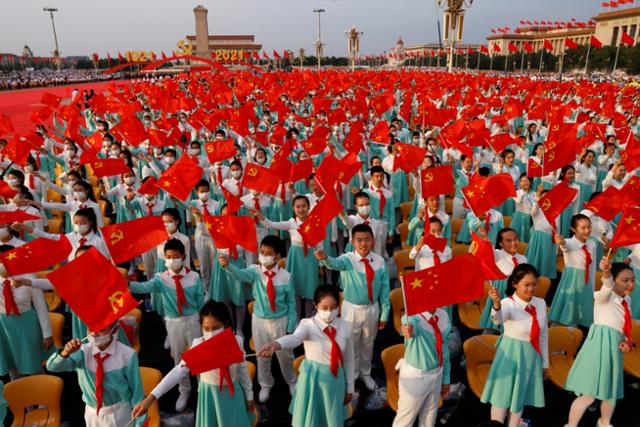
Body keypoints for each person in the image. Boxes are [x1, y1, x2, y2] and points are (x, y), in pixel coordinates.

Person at [131, 301, 255, 427]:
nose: (211, 333)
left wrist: (249, 395)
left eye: (216, 328)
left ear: (225, 324)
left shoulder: (236, 342)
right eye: (206, 329)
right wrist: (151, 398)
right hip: (210, 396)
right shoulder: (198, 345)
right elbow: (178, 372)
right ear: (201, 327)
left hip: (232, 395)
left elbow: (242, 370)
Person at [257, 284, 355, 427]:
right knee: (311, 419)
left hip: (335, 380)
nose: (329, 311)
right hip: (313, 380)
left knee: (332, 419)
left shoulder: (345, 326)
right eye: (324, 308)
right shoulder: (308, 324)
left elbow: (349, 360)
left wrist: (350, 388)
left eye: (334, 307)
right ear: (315, 305)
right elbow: (295, 338)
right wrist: (275, 344)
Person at [218, 235, 297, 403]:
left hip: (280, 320)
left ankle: (291, 380)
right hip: (260, 321)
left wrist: (290, 326)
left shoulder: (286, 276)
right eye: (262, 252)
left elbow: (291, 303)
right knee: (262, 354)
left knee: (285, 355)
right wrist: (227, 266)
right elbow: (239, 275)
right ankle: (265, 383)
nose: (264, 256)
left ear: (277, 257)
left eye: (268, 253)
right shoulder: (255, 271)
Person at [129, 238, 205, 411]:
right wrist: (128, 284)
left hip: (193, 319)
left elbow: (200, 300)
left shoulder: (193, 277)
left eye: (176, 256)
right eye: (168, 256)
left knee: (198, 355)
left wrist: (202, 322)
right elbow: (143, 287)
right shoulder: (161, 279)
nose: (172, 260)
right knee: (179, 356)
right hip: (173, 321)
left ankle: (202, 387)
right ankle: (184, 389)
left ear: (183, 256)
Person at [314, 223, 390, 391]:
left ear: (373, 240)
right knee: (351, 343)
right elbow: (333, 263)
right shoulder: (348, 259)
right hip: (352, 309)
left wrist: (385, 313)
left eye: (367, 240)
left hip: (372, 308)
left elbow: (385, 289)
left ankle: (365, 372)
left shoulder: (379, 261)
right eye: (359, 240)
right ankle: (352, 374)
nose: (364, 244)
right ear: (353, 242)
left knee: (368, 342)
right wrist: (325, 257)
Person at [564, 258, 634, 427]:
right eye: (625, 280)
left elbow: (624, 325)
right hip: (598, 348)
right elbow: (607, 286)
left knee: (611, 392)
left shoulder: (627, 301)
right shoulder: (604, 297)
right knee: (589, 394)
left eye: (632, 280)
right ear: (613, 280)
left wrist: (625, 341)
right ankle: (571, 425)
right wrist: (606, 272)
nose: (630, 284)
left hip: (614, 348)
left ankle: (604, 421)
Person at [481, 264, 548, 427]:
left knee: (520, 396)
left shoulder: (540, 303)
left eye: (534, 284)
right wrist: (496, 303)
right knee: (501, 396)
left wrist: (545, 363)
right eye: (526, 284)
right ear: (515, 284)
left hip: (530, 355)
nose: (531, 288)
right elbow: (497, 320)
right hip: (510, 355)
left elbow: (543, 334)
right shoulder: (508, 303)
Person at [46, 322, 146, 427]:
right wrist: (65, 352)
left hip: (119, 412)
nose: (94, 334)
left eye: (101, 330)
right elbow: (52, 367)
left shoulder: (127, 355)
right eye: (90, 329)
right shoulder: (82, 352)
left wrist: (139, 422)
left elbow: (137, 393)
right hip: (92, 413)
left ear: (115, 330)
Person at [252, 195, 322, 318]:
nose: (301, 209)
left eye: (304, 206)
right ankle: (296, 319)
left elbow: (319, 244)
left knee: (310, 290)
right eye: (298, 207)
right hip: (295, 258)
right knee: (295, 291)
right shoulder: (291, 223)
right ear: (294, 208)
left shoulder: (314, 221)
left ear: (308, 207)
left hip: (311, 258)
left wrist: (321, 264)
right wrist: (260, 215)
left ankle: (307, 319)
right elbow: (271, 224)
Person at [392, 297, 451, 427]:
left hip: (437, 374)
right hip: (416, 377)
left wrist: (446, 377)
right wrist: (407, 330)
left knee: (429, 419)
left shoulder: (444, 315)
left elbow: (445, 349)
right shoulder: (412, 317)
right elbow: (407, 325)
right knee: (405, 421)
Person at [0, 244, 53, 379]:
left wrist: (47, 334)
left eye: (4, 260)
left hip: (27, 325)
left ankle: (43, 397)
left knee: (34, 365)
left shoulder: (28, 277)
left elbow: (41, 308)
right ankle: (20, 397)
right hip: (4, 327)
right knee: (12, 365)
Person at [549, 214, 596, 327]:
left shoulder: (592, 244)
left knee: (580, 310)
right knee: (568, 308)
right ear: (573, 229)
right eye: (583, 228)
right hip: (571, 280)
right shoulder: (569, 242)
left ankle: (574, 335)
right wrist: (561, 242)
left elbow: (592, 267)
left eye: (589, 227)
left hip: (585, 281)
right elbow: (565, 246)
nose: (587, 230)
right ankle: (557, 332)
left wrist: (592, 286)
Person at [480, 228, 528, 332]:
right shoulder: (497, 254)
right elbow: (487, 250)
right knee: (491, 327)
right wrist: (484, 236)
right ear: (501, 244)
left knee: (509, 329)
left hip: (515, 298)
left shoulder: (523, 259)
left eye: (516, 239)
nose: (514, 243)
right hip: (500, 294)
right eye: (509, 241)